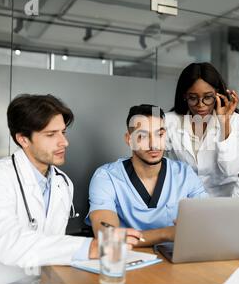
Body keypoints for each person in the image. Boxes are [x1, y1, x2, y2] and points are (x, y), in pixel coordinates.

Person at [0, 94, 142, 284]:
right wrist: (92, 247)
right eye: (51, 134)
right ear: (23, 139)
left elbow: (53, 248)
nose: (64, 142)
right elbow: (7, 244)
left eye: (63, 132)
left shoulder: (62, 183)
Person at [87, 104, 208, 246]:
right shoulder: (106, 177)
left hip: (177, 258)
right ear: (129, 139)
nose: (154, 144)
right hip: (129, 260)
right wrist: (167, 233)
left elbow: (208, 223)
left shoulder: (184, 174)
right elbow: (108, 237)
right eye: (143, 136)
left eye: (160, 134)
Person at [165, 62, 239, 196]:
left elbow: (230, 170)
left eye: (208, 97)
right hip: (184, 200)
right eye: (193, 98)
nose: (200, 105)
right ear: (184, 95)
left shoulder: (234, 120)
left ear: (218, 94)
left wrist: (224, 123)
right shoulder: (170, 121)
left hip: (223, 201)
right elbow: (153, 160)